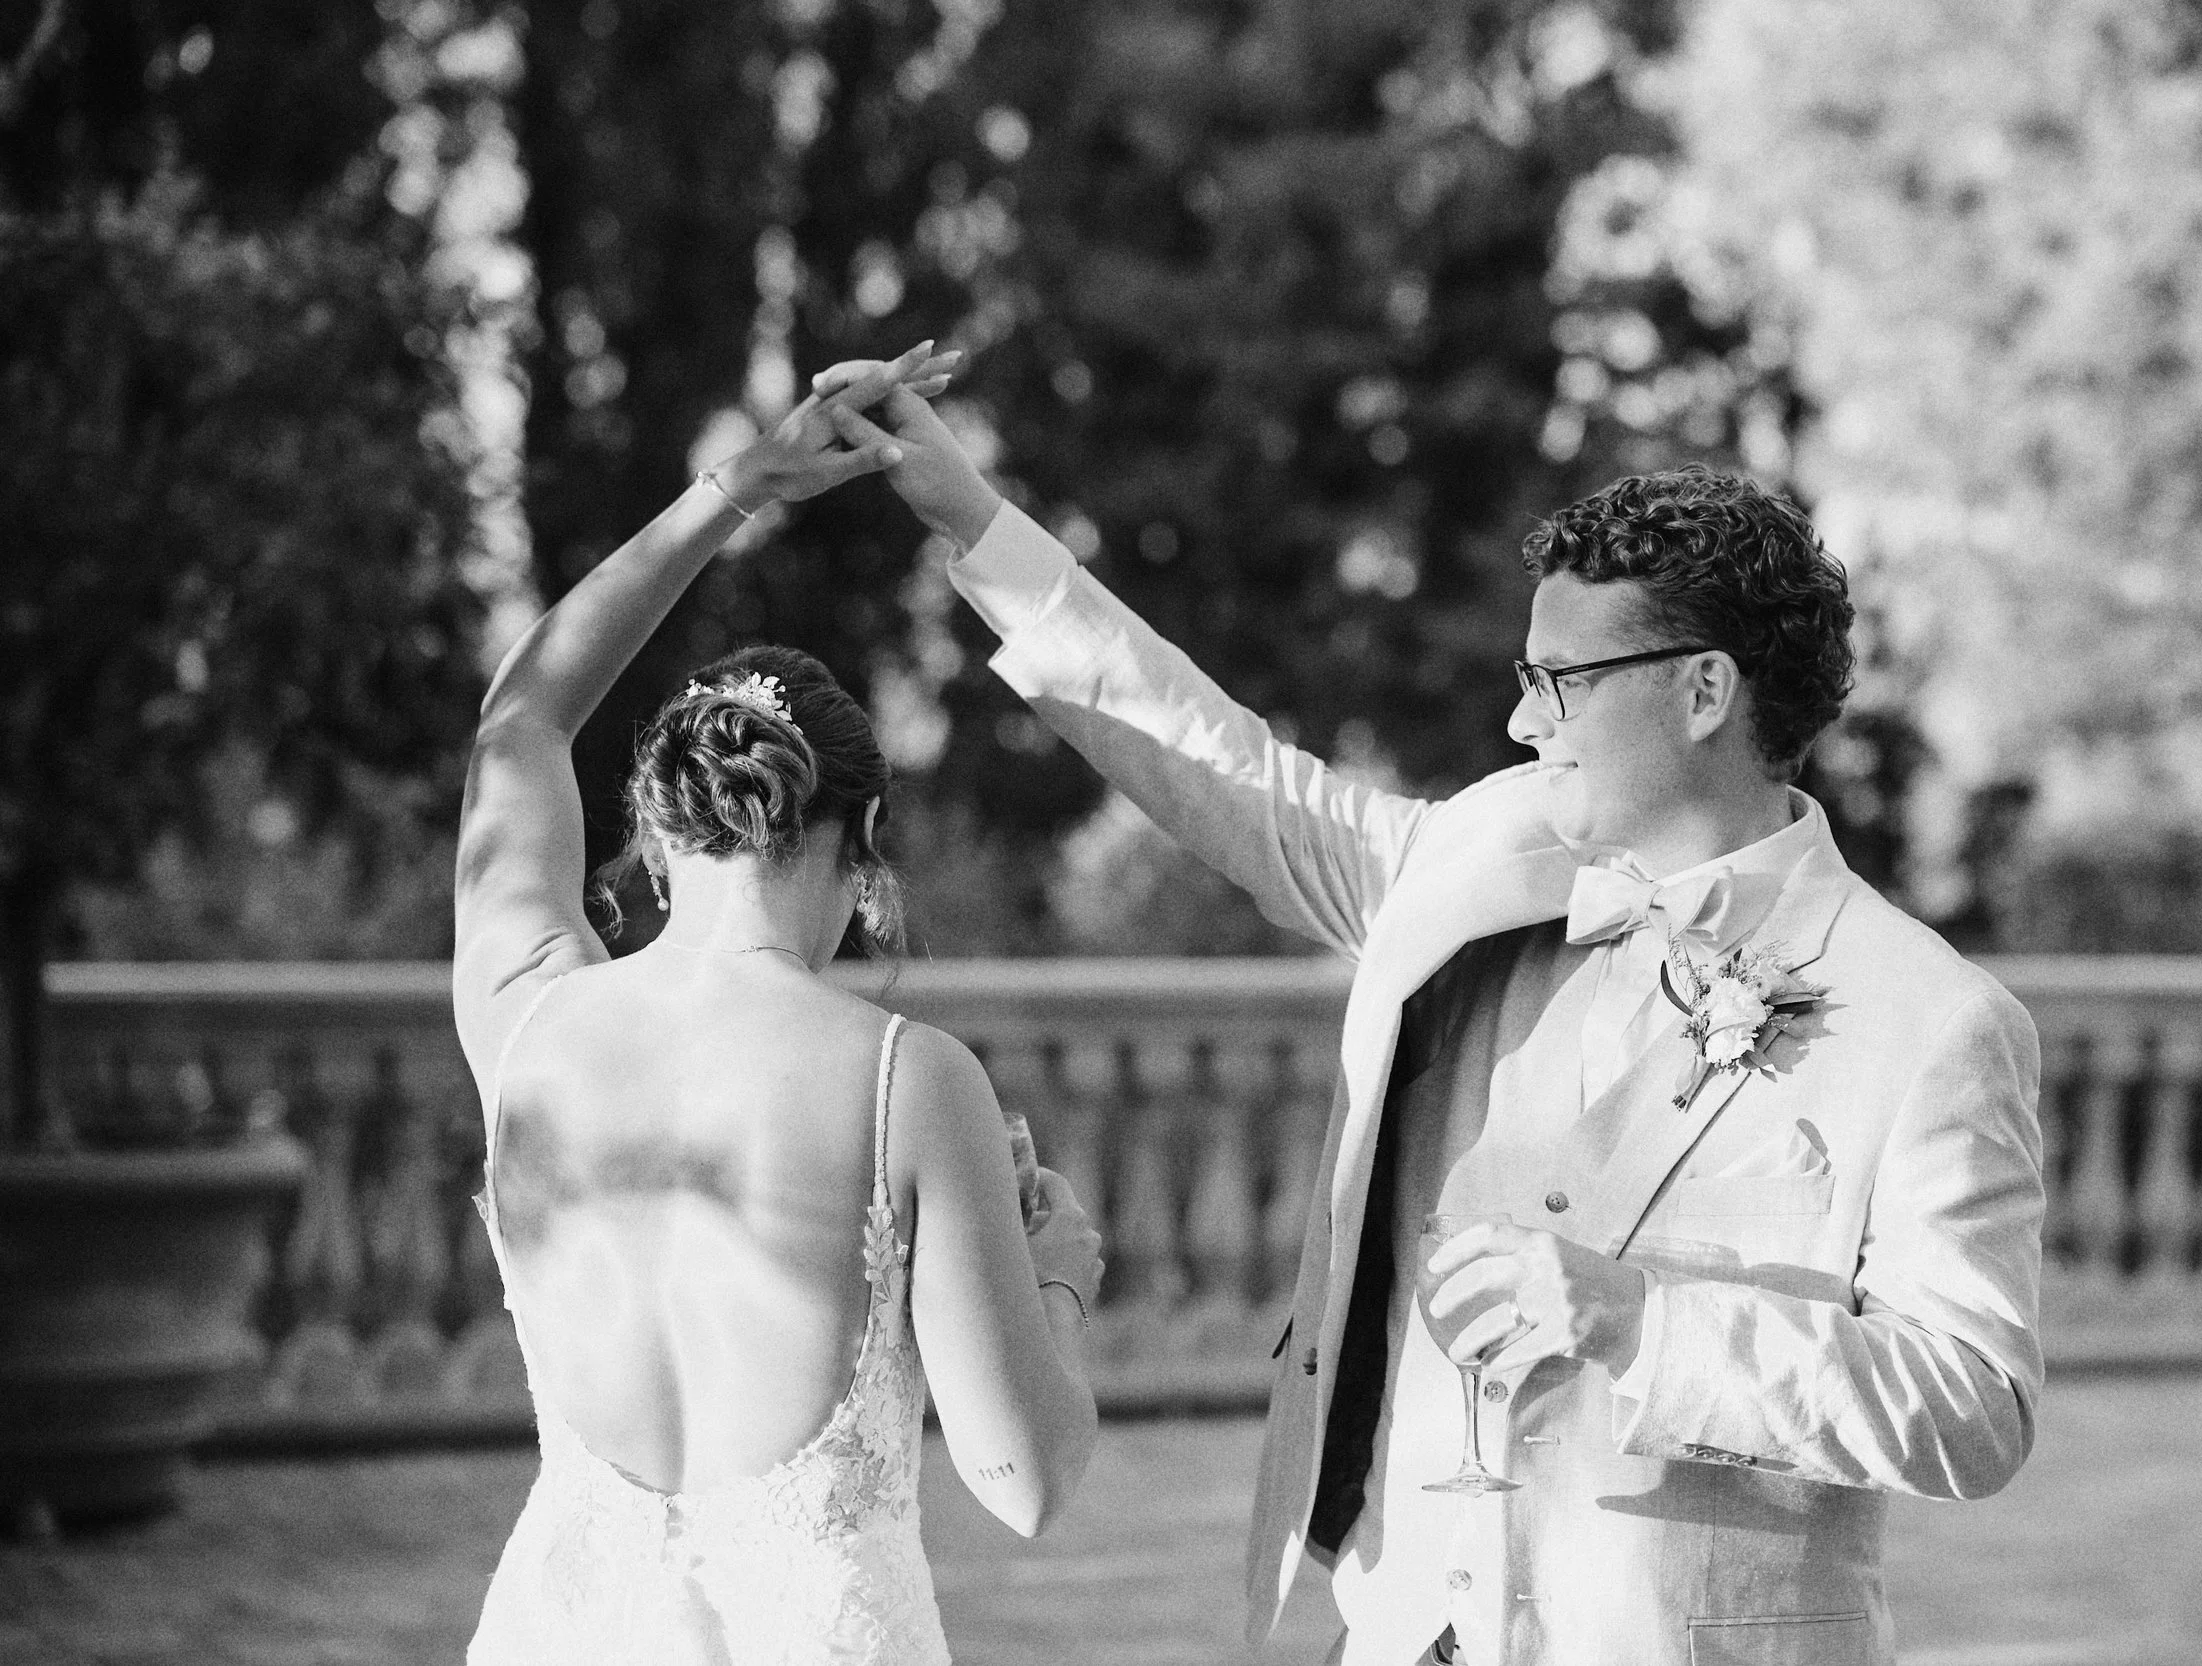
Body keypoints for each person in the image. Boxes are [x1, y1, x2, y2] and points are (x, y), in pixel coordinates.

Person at [837, 377, 2045, 1666]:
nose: (1523, 720)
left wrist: (1639, 1321)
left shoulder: (1931, 1021)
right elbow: (1228, 770)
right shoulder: (1473, 856)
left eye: (1560, 682)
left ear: (1703, 692)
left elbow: (1975, 1406)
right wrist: (969, 515)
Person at [451, 342, 1102, 1666]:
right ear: (865, 843)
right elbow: (1025, 1480)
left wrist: (740, 485)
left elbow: (521, 717)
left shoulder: (526, 1021)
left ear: (649, 819)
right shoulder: (906, 1082)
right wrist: (1056, 1280)